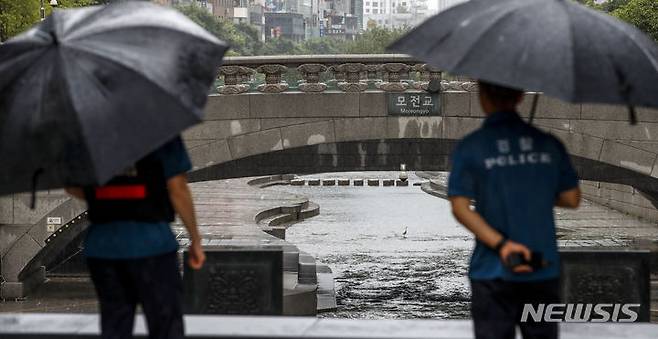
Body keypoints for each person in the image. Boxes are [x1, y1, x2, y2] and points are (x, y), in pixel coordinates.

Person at [448, 81, 581, 339]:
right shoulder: (548, 144)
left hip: (491, 271)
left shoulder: (472, 146)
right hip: (541, 269)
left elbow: (460, 207)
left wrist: (502, 245)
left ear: (481, 95)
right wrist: (533, 190)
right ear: (521, 96)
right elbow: (572, 198)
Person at [66, 136, 205, 339]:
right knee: (166, 326)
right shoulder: (160, 129)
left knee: (115, 327)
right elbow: (178, 188)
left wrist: (109, 193)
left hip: (103, 247)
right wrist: (196, 239)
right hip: (153, 244)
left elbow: (72, 187)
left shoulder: (86, 133)